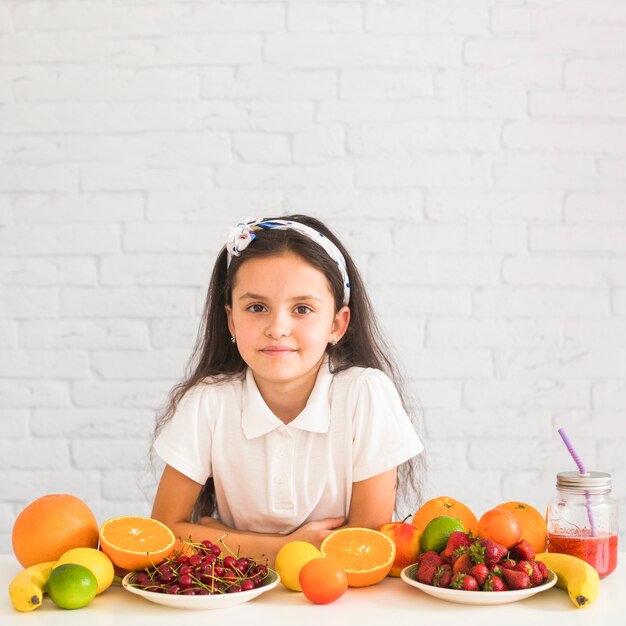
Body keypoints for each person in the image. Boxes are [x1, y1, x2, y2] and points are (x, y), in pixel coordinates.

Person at [151, 215, 424, 564]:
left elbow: (364, 545)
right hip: (236, 594)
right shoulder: (208, 401)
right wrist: (288, 547)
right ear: (231, 321)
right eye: (257, 307)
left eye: (302, 309)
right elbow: (161, 533)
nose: (278, 328)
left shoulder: (365, 394)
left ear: (337, 324)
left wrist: (223, 539)